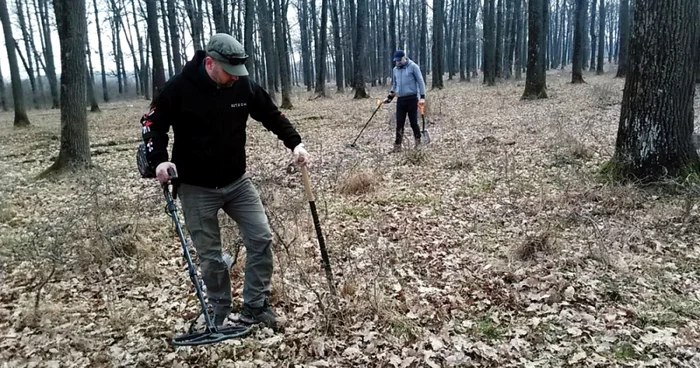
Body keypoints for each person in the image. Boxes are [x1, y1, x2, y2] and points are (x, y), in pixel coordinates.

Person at [140, 33, 310, 330]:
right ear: (210, 63)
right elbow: (152, 124)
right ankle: (219, 311)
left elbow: (270, 114)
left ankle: (255, 306)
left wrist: (295, 143)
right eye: (229, 73)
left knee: (261, 237)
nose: (235, 78)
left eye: (238, 73)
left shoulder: (242, 85)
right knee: (212, 257)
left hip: (237, 181)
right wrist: (159, 161)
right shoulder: (178, 88)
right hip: (195, 187)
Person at [383, 50, 426, 153]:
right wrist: (389, 97)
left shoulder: (413, 67)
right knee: (399, 123)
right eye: (396, 61)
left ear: (404, 58)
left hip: (412, 98)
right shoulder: (395, 70)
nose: (398, 62)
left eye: (399, 60)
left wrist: (422, 97)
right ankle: (397, 146)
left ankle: (418, 143)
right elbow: (395, 85)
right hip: (401, 100)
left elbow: (420, 81)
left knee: (413, 122)